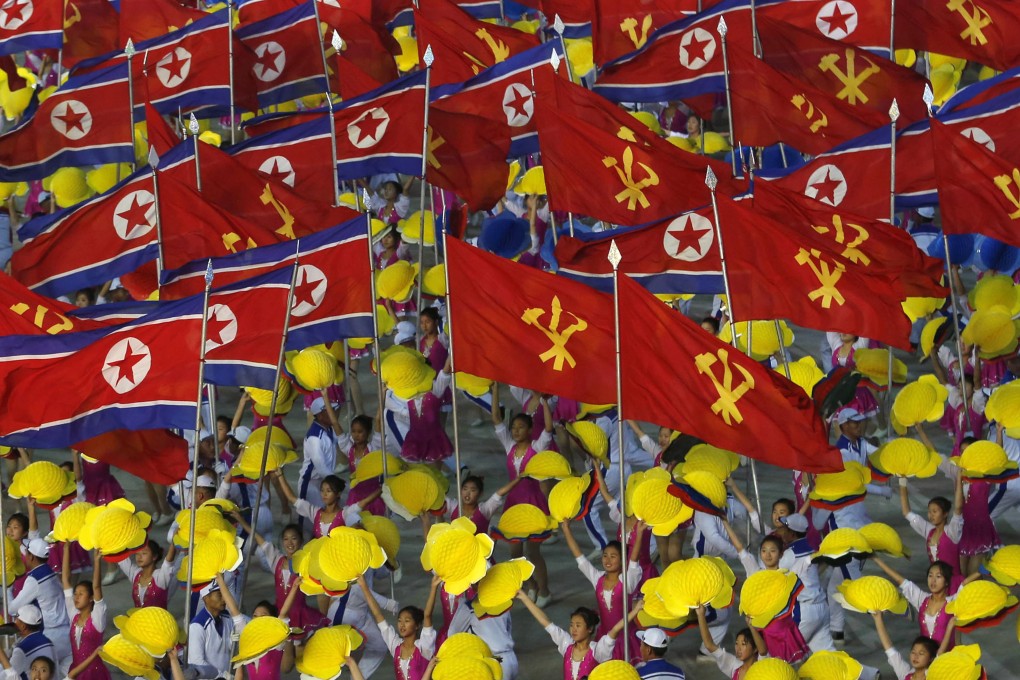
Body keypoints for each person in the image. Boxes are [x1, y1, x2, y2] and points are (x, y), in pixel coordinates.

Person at [491, 384, 554, 605]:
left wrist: (545, 401)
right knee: (515, 552)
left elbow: (548, 428)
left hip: (533, 504)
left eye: (520, 427)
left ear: (529, 430)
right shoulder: (509, 446)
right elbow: (497, 420)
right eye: (514, 427)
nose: (515, 431)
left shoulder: (537, 447)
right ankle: (531, 585)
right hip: (514, 503)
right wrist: (495, 390)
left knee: (533, 551)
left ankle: (545, 590)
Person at [560, 520, 645, 662]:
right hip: (605, 639)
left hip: (625, 638)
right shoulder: (597, 578)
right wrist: (566, 530)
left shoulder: (627, 581)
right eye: (605, 555)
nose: (607, 560)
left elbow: (634, 560)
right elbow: (579, 557)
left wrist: (640, 533)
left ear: (623, 559)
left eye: (613, 556)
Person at [238, 517, 328, 636]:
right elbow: (257, 538)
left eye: (294, 538)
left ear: (301, 540)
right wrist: (240, 519)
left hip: (299, 616)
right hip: (279, 615)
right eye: (286, 539)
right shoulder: (276, 559)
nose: (289, 543)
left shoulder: (307, 563)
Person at [515, 590, 632, 680]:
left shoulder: (598, 650)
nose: (573, 629)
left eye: (578, 625)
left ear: (590, 629)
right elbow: (545, 622)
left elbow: (615, 630)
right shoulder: (566, 645)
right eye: (572, 625)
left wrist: (636, 610)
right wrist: (525, 598)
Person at [872, 557, 968, 652]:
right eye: (930, 576)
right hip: (925, 659)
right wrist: (876, 559)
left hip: (947, 661)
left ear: (947, 582)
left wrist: (980, 571)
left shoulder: (952, 602)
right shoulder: (922, 599)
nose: (933, 580)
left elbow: (965, 586)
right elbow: (900, 580)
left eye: (938, 576)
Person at [358, 574, 438, 680]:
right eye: (399, 621)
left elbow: (427, 615)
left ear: (417, 625)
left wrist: (433, 587)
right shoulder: (395, 645)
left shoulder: (424, 647)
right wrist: (364, 587)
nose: (402, 624)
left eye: (407, 621)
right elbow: (378, 615)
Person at [7, 539, 70, 672]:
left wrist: (7, 589)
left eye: (27, 554)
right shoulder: (51, 571)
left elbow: (12, 609)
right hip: (67, 633)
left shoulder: (34, 579)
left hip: (51, 636)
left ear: (32, 557)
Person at [274, 472, 377, 538]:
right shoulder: (315, 512)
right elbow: (292, 499)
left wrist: (382, 489)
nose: (324, 494)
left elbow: (364, 502)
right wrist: (280, 476)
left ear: (338, 494)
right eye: (322, 490)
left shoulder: (344, 513)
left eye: (329, 491)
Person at [900, 472, 964, 577]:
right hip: (936, 586)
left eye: (935, 511)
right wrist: (902, 480)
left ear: (945, 513)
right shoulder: (929, 531)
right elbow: (906, 512)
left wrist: (959, 479)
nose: (931, 515)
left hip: (954, 586)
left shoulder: (952, 532)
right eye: (929, 511)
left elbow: (958, 508)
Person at [297, 393, 342, 533]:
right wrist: (338, 485)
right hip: (310, 484)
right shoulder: (314, 437)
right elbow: (321, 467)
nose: (333, 413)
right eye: (329, 411)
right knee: (308, 524)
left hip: (324, 483)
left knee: (322, 521)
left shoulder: (328, 429)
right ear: (320, 414)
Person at [188, 575, 248, 680]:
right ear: (206, 598)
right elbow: (197, 662)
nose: (224, 599)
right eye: (219, 595)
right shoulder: (197, 626)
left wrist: (234, 643)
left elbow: (228, 648)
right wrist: (221, 676)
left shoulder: (227, 619)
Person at [60, 549, 107, 680]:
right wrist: (67, 547)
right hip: (75, 671)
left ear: (91, 598)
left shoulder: (97, 618)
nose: (76, 597)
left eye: (81, 594)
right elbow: (65, 579)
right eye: (75, 594)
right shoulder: (74, 615)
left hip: (94, 674)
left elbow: (97, 587)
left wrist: (97, 562)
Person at [694, 606, 766, 680]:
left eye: (743, 644)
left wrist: (751, 627)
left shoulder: (762, 665)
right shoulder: (734, 666)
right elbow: (709, 645)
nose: (738, 648)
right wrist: (701, 615)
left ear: (755, 649)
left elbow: (763, 651)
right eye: (736, 643)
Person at [870, 611, 937, 680]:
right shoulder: (905, 674)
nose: (915, 656)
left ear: (931, 658)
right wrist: (878, 620)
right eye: (913, 652)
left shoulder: (935, 677)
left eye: (921, 653)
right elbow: (890, 650)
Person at [115, 539, 176, 609]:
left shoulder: (160, 577)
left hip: (158, 619)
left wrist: (174, 541)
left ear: (154, 557)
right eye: (137, 553)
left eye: (144, 553)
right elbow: (121, 558)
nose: (139, 557)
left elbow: (168, 562)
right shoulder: (135, 574)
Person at [0, 606, 55, 680]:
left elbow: (7, 676)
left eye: (17, 619)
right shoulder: (48, 641)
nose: (15, 622)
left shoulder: (22, 649)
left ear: (23, 626)